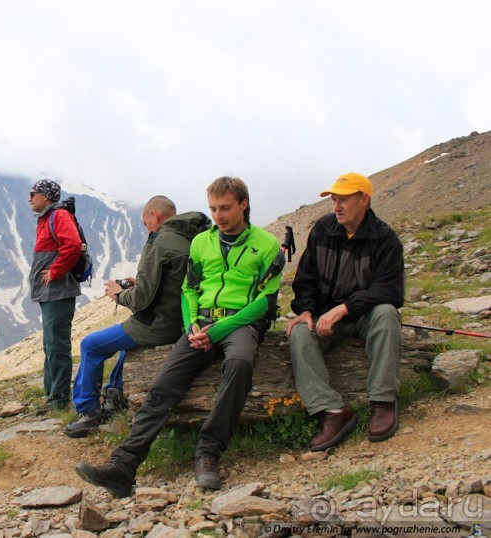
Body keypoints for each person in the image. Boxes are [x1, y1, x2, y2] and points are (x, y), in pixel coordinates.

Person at [74, 177, 283, 496]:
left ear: (244, 204)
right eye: (213, 208)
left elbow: (265, 303)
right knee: (163, 386)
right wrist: (192, 326)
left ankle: (208, 454)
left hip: (241, 323)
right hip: (200, 324)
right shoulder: (201, 243)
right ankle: (124, 465)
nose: (219, 215)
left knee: (239, 364)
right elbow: (189, 289)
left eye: (226, 208)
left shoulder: (267, 245)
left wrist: (220, 330)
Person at [65, 196, 211, 438]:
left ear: (155, 216)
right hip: (183, 320)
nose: (147, 228)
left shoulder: (160, 243)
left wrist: (119, 295)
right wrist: (139, 283)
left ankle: (88, 412)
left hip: (158, 324)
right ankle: (114, 393)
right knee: (124, 344)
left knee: (90, 345)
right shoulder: (193, 238)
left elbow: (142, 300)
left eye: (145, 223)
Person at [286, 172, 405, 452]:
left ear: (364, 199)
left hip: (364, 316)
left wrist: (345, 308)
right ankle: (333, 412)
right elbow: (305, 278)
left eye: (344, 200)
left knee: (388, 314)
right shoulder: (323, 229)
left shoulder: (385, 238)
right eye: (334, 200)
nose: (336, 207)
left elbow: (389, 290)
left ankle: (383, 401)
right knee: (300, 333)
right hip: (325, 317)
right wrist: (305, 310)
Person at [29, 179, 82, 411]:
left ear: (45, 196)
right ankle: (52, 397)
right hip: (50, 293)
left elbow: (73, 244)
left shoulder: (58, 216)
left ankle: (59, 401)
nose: (29, 198)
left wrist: (55, 271)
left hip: (58, 292)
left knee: (57, 346)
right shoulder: (46, 218)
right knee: (50, 345)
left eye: (33, 194)